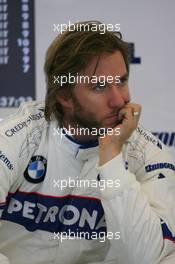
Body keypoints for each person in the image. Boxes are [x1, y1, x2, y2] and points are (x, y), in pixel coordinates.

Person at [0, 21, 175, 264]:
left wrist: (112, 155)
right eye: (99, 86)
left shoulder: (148, 154)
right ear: (64, 96)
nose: (120, 100)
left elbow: (147, 258)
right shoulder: (17, 138)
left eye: (122, 81)